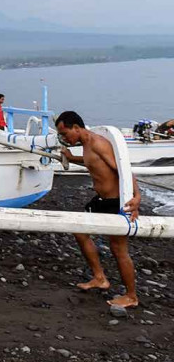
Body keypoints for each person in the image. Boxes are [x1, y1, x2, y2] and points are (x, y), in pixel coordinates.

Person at [56, 111, 141, 308]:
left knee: (119, 249)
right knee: (80, 232)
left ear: (77, 128)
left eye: (65, 133)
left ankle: (131, 296)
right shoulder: (86, 145)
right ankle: (100, 278)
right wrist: (71, 157)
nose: (64, 138)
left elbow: (124, 170)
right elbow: (92, 162)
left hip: (116, 202)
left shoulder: (98, 143)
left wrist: (137, 197)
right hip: (101, 200)